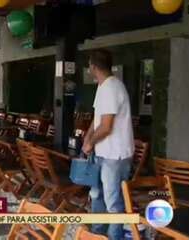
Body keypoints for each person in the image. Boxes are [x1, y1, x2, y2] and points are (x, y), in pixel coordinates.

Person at [82, 49, 134, 240]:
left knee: (113, 203)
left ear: (93, 67)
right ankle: (97, 234)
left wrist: (90, 143)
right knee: (96, 194)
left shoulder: (112, 88)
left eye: (89, 65)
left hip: (115, 155)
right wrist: (88, 139)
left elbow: (106, 127)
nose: (89, 68)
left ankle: (114, 237)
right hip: (103, 153)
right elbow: (96, 120)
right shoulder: (103, 86)